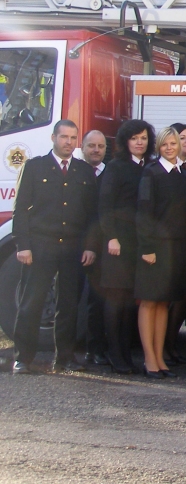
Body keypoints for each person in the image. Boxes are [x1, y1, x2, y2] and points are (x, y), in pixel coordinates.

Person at [11, 120, 98, 375]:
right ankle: (23, 358)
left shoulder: (83, 171)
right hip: (40, 247)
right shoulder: (35, 167)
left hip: (72, 247)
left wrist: (90, 246)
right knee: (31, 303)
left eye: (73, 138)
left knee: (69, 305)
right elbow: (21, 210)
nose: (68, 142)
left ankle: (65, 358)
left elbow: (92, 214)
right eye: (64, 137)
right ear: (53, 138)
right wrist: (23, 246)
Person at [135, 127, 186, 379]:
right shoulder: (151, 173)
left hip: (176, 248)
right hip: (154, 249)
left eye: (173, 143)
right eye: (164, 144)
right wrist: (147, 248)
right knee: (150, 302)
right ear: (158, 147)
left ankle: (160, 358)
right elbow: (144, 212)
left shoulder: (184, 175)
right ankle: (149, 359)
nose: (169, 148)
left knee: (163, 303)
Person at [99, 120, 154, 374]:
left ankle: (126, 355)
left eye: (143, 138)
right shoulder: (116, 167)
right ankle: (114, 354)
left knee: (131, 301)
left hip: (138, 243)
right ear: (125, 141)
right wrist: (111, 237)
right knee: (115, 299)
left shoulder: (149, 168)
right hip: (117, 242)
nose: (139, 142)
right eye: (134, 138)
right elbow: (105, 205)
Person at [165, 122, 186, 366]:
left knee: (181, 299)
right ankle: (161, 347)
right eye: (181, 137)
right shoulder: (158, 171)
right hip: (165, 244)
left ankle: (172, 343)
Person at [79, 130, 109, 366]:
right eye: (91, 145)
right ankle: (65, 352)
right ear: (83, 147)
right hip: (71, 244)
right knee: (69, 300)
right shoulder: (73, 172)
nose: (96, 150)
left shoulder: (109, 174)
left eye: (100, 146)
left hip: (99, 248)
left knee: (96, 301)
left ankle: (95, 349)